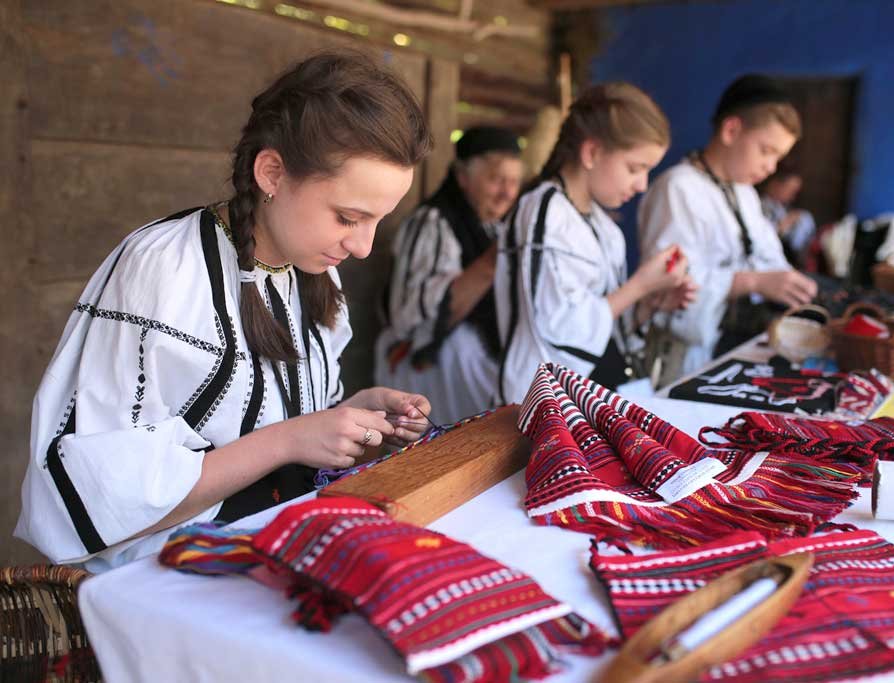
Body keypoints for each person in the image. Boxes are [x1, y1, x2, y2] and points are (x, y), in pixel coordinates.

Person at [16, 51, 434, 570]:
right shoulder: (163, 270)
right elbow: (102, 491)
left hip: (270, 555)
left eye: (378, 221)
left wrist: (352, 417)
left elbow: (274, 426)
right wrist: (289, 441)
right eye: (349, 217)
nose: (365, 247)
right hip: (161, 581)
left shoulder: (315, 273)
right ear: (272, 173)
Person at [494, 82, 696, 404]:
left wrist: (650, 303)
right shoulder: (543, 212)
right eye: (635, 168)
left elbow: (605, 329)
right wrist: (640, 286)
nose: (642, 185)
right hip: (545, 406)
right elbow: (559, 332)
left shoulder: (606, 228)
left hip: (592, 399)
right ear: (592, 153)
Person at [638, 74, 818, 379]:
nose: (771, 167)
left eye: (778, 157)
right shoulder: (678, 188)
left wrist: (789, 288)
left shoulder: (744, 193)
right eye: (766, 150)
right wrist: (751, 282)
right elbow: (668, 287)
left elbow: (768, 261)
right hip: (685, 364)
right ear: (731, 130)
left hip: (733, 353)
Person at [375, 126, 523, 424]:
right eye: (496, 180)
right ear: (463, 177)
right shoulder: (431, 223)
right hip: (425, 362)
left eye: (515, 182)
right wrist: (493, 262)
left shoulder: (494, 226)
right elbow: (407, 319)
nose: (508, 192)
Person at [759, 168, 816, 265]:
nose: (792, 196)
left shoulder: (782, 208)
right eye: (790, 190)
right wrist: (785, 223)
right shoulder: (759, 205)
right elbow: (760, 239)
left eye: (795, 192)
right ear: (775, 185)